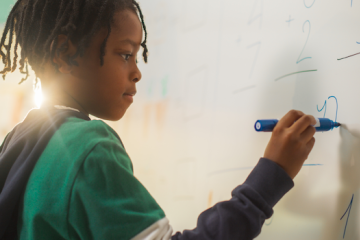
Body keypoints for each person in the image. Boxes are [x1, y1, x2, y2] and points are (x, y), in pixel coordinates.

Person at [0, 0, 317, 239]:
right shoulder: (87, 149)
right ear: (63, 53)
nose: (137, 72)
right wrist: (267, 180)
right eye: (125, 55)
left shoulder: (22, 139)